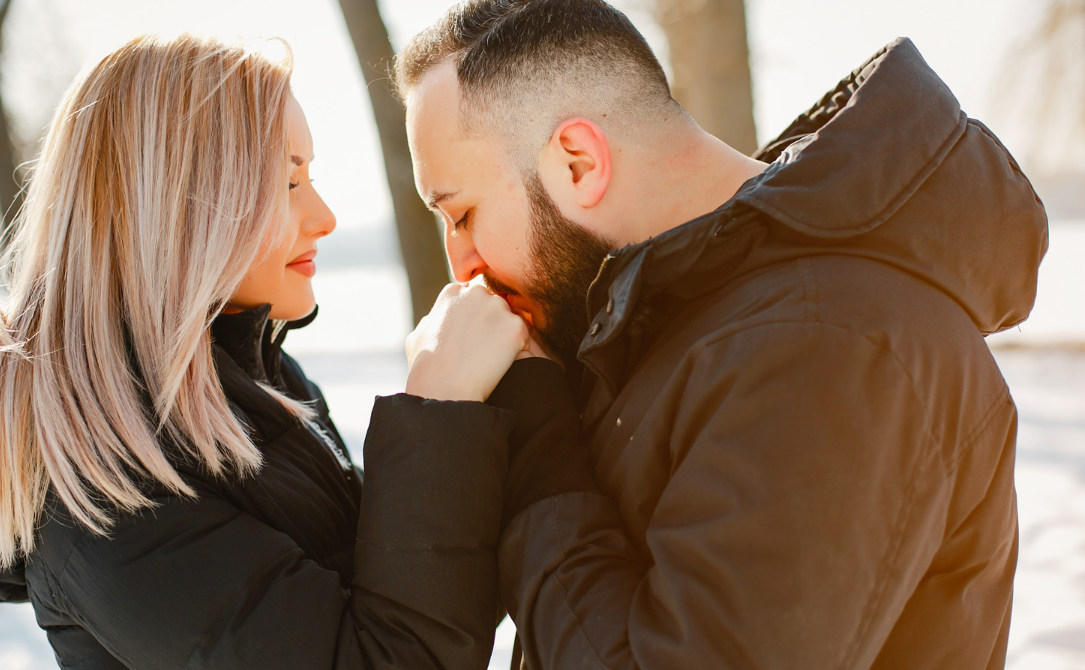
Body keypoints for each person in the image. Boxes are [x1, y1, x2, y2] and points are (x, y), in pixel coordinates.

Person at [395, 1, 1049, 668]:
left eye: (463, 214)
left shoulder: (828, 343)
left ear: (578, 163)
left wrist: (537, 442)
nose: (462, 264)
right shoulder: (693, 325)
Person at [0, 33, 541, 669]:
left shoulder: (249, 379)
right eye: (289, 183)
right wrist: (437, 413)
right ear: (183, 207)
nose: (324, 217)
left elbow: (407, 595)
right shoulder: (98, 488)